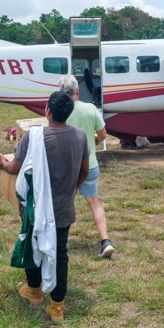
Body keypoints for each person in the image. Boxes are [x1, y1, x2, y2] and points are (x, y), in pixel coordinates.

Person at [0, 91, 89, 323]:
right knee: (60, 254)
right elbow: (84, 171)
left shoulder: (34, 136)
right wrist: (72, 189)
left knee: (32, 245)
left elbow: (14, 168)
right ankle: (57, 306)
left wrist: (2, 162)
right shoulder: (80, 136)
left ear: (48, 111)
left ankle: (34, 291)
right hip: (63, 208)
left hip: (35, 207)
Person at [58, 74, 115, 258]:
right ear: (78, 91)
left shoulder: (59, 111)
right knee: (94, 202)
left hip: (66, 167)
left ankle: (58, 240)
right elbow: (103, 134)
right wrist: (92, 143)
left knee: (62, 203)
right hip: (89, 165)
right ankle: (105, 240)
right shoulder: (90, 109)